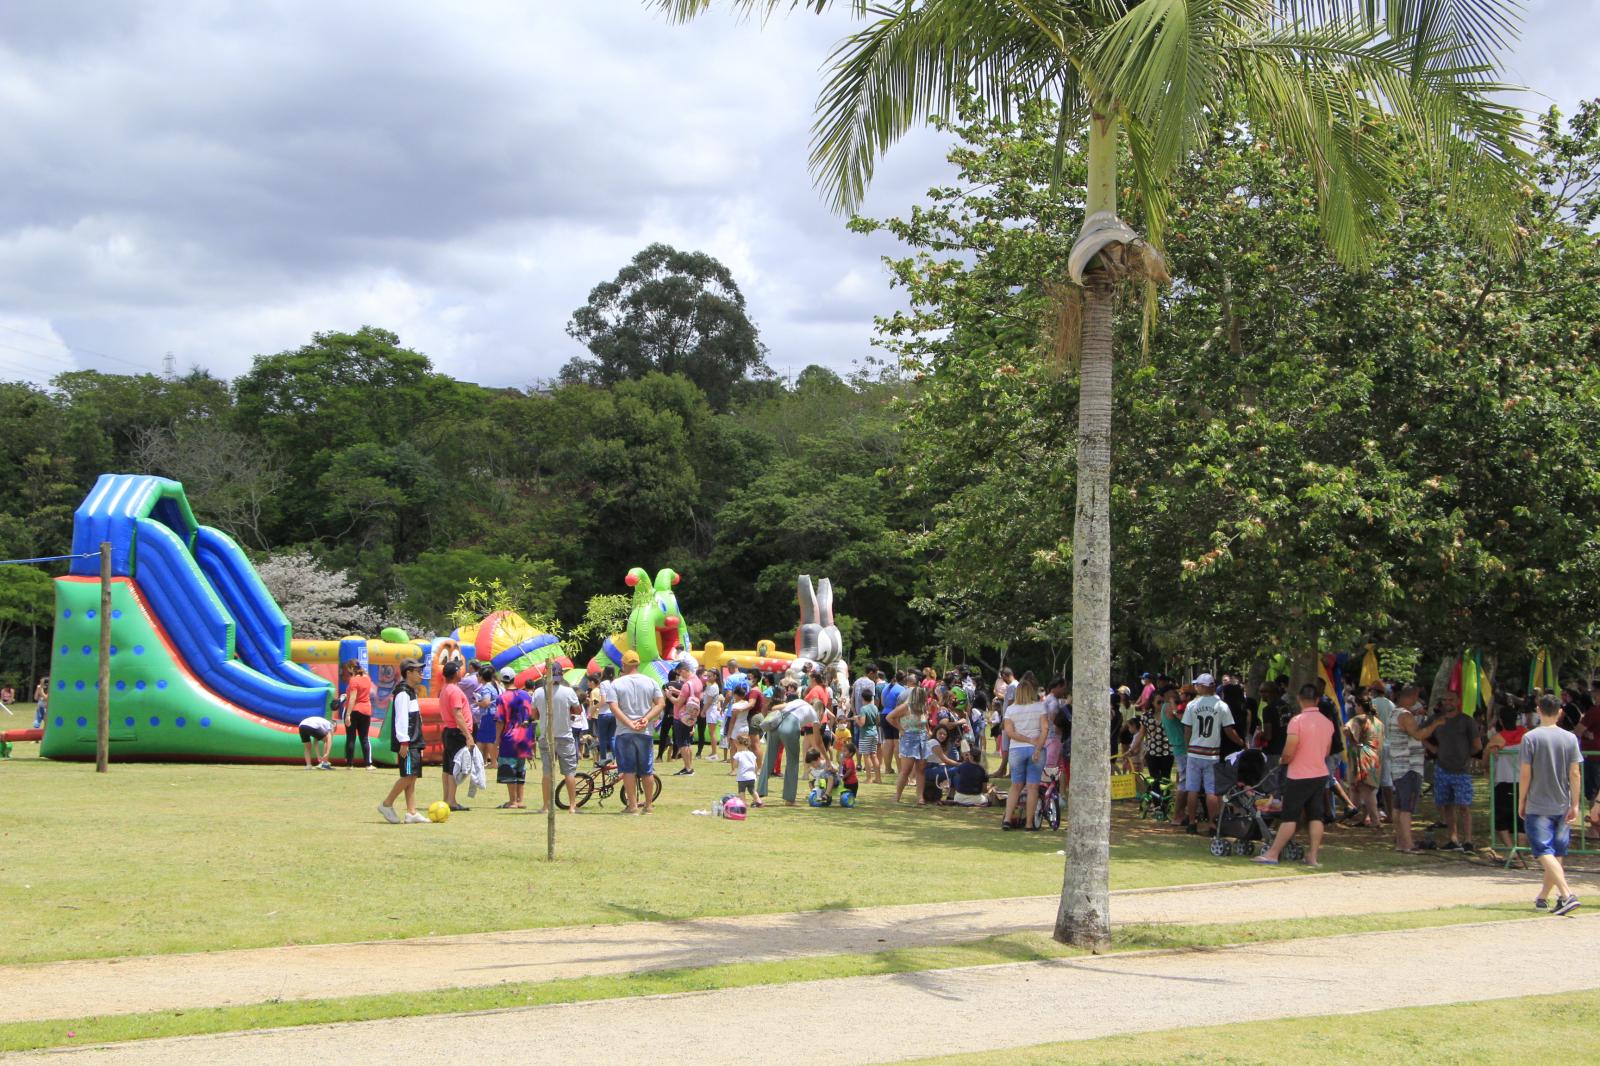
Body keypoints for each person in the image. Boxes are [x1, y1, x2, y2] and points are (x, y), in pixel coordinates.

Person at [1255, 683, 1335, 867]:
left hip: (1299, 774)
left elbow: (1290, 749)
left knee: (1290, 815)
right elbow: (1327, 750)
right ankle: (1312, 856)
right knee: (1316, 816)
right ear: (1317, 700)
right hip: (1320, 773)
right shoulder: (1327, 722)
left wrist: (1284, 760)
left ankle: (1273, 853)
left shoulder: (1297, 721)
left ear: (1299, 699)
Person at [1521, 694, 1582, 915]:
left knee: (1543, 851)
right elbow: (1575, 773)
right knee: (1556, 853)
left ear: (1538, 710)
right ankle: (1543, 896)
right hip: (1562, 802)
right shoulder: (1570, 738)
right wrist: (1575, 803)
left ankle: (1566, 894)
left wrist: (1522, 799)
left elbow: (1526, 773)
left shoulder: (1530, 737)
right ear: (1560, 712)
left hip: (1538, 803)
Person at [1416, 690, 1482, 851]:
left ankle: (1468, 840)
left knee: (1464, 806)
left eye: (1451, 699)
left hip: (1462, 770)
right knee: (1447, 805)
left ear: (1457, 701)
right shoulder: (1436, 720)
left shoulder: (1466, 721)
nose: (1447, 703)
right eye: (1444, 700)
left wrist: (1466, 756)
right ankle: (1453, 838)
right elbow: (1420, 734)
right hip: (1442, 768)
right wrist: (1433, 748)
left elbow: (1477, 746)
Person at [1181, 674, 1242, 832]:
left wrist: (1188, 746)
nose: (1196, 688)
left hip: (1194, 752)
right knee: (1211, 791)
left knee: (1192, 789)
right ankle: (1213, 824)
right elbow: (1228, 730)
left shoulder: (1192, 705)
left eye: (1198, 685)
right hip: (1212, 753)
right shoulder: (1222, 706)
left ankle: (1192, 822)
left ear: (1203, 686)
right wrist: (1241, 743)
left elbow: (1187, 729)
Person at [611, 650, 665, 815]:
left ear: (624, 664)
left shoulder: (617, 683)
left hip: (624, 731)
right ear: (638, 664)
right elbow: (660, 703)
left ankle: (632, 805)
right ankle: (648, 805)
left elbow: (614, 707)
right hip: (645, 731)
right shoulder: (650, 681)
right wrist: (646, 719)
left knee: (628, 769)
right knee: (646, 770)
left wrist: (628, 722)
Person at [378, 660, 428, 823]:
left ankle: (412, 812)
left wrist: (419, 742)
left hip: (414, 741)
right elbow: (401, 718)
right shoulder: (403, 693)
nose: (421, 673)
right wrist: (404, 742)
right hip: (408, 741)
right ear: (408, 672)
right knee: (408, 776)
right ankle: (387, 804)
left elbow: (415, 718)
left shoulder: (411, 692)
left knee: (412, 777)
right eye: (418, 671)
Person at [1001, 673, 1048, 830]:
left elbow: (1009, 732)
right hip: (1036, 749)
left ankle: (1007, 819)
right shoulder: (1040, 707)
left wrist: (1026, 740)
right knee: (1033, 786)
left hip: (1016, 749)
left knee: (1015, 785)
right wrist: (1037, 746)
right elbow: (1045, 729)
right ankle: (1029, 823)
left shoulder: (1011, 710)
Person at [531, 673, 582, 815]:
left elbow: (534, 715)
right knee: (569, 772)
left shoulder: (538, 692)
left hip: (546, 736)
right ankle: (572, 806)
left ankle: (546, 807)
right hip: (564, 735)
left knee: (547, 772)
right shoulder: (568, 691)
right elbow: (578, 710)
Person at [1484, 704, 1529, 860]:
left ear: (1501, 721)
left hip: (1504, 781)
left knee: (1501, 819)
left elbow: (1485, 758)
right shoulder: (1526, 735)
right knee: (1522, 817)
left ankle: (1512, 851)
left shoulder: (1497, 738)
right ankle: (1520, 852)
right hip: (1524, 782)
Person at [1390, 686, 1428, 853]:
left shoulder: (1394, 713)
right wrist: (1435, 724)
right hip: (1409, 767)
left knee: (1398, 806)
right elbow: (1417, 735)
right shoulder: (1405, 715)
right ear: (1413, 697)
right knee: (1406, 808)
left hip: (1398, 766)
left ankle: (1400, 842)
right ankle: (1409, 844)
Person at [1344, 693, 1384, 829]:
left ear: (1360, 706)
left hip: (1362, 756)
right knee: (1364, 788)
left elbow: (1346, 730)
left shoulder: (1358, 719)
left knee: (1364, 788)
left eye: (1356, 705)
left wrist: (1353, 740)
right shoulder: (1378, 721)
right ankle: (1364, 817)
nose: (1355, 708)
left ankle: (1374, 819)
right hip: (1375, 756)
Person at [437, 660, 473, 813]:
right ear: (456, 673)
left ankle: (447, 798)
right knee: (455, 766)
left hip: (448, 731)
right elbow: (458, 714)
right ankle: (451, 800)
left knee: (447, 767)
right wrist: (468, 735)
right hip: (456, 732)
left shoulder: (446, 689)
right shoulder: (454, 691)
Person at [494, 677, 534, 809]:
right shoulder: (525, 695)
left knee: (509, 768)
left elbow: (500, 720)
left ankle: (512, 801)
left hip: (509, 737)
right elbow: (531, 715)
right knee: (520, 769)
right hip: (524, 736)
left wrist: (497, 739)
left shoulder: (502, 698)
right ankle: (520, 800)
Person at [889, 683, 929, 804]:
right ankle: (897, 796)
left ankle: (920, 797)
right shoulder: (906, 707)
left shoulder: (923, 708)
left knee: (921, 769)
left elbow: (925, 722)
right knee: (906, 770)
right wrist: (900, 728)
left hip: (922, 737)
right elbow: (890, 717)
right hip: (909, 738)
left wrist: (928, 731)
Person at [340, 661, 375, 770]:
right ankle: (368, 764)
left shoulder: (353, 681)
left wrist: (348, 715)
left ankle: (350, 764)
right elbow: (363, 693)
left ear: (351, 668)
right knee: (364, 738)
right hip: (366, 710)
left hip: (354, 710)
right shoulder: (367, 678)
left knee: (351, 738)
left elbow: (353, 698)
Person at [473, 666, 503, 768]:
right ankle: (478, 761)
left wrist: (478, 703)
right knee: (481, 739)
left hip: (488, 715)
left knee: (489, 740)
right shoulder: (494, 685)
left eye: (478, 675)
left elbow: (486, 702)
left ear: (482, 677)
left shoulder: (485, 687)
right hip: (493, 715)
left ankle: (494, 762)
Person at [592, 666, 619, 764]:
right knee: (612, 738)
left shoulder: (603, 683)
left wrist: (594, 707)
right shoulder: (616, 682)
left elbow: (603, 700)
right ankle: (616, 760)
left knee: (602, 738)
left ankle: (603, 760)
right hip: (614, 713)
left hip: (604, 714)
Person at [732, 734, 763, 807]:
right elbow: (755, 766)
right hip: (751, 776)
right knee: (752, 790)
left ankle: (743, 803)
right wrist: (755, 774)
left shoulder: (738, 754)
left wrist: (735, 766)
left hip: (742, 777)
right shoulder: (751, 754)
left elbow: (735, 765)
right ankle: (758, 801)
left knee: (741, 791)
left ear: (738, 744)